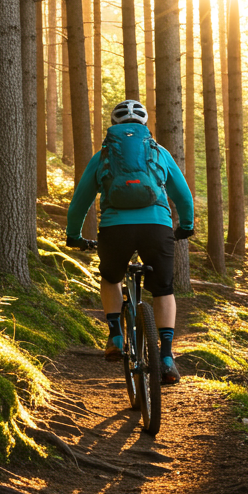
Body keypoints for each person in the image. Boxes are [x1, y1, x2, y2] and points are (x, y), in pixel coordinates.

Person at [65, 99, 194, 385]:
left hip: (115, 229)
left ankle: (115, 336)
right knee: (163, 290)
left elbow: (80, 203)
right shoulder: (159, 153)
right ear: (144, 125)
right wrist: (185, 226)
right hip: (156, 227)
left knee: (111, 278)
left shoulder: (103, 156)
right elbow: (183, 196)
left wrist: (73, 236)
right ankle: (168, 357)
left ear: (115, 125)